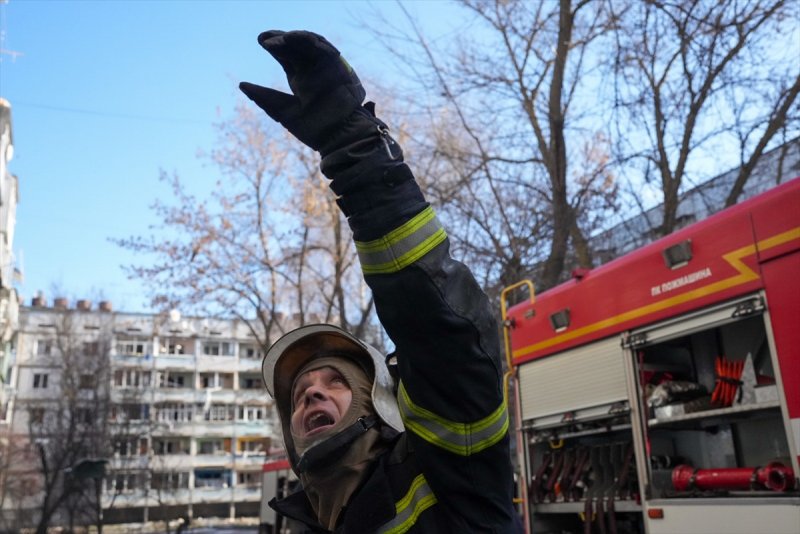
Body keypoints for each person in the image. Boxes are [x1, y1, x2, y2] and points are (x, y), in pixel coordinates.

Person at [240, 30, 522, 533]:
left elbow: (443, 338)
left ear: (376, 403)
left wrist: (355, 151)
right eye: (301, 392)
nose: (310, 395)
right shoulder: (304, 523)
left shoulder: (446, 474)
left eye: (333, 383)